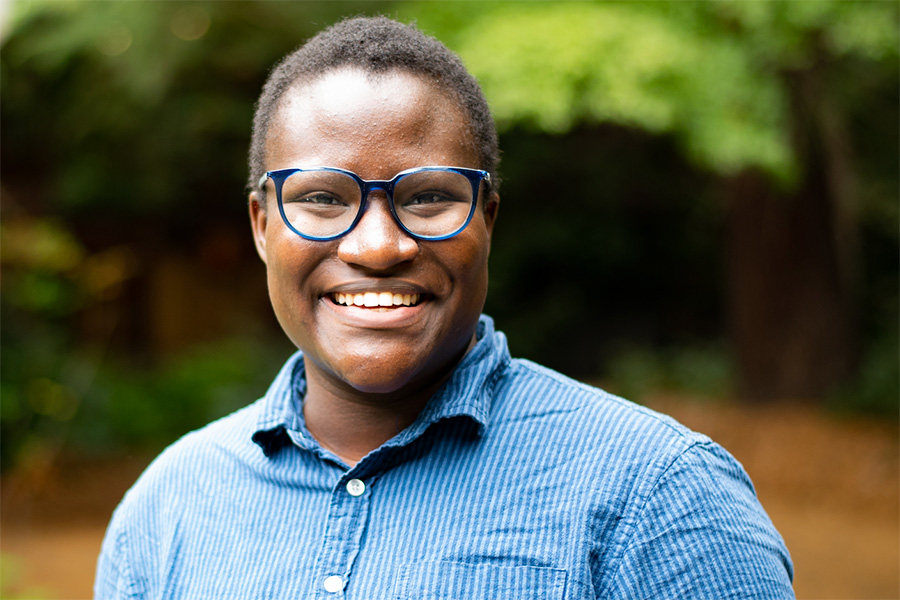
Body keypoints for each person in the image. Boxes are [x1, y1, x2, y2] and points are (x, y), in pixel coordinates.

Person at [95, 16, 794, 599]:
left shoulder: (659, 494)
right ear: (261, 224)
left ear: (487, 217)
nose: (376, 245)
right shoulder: (168, 507)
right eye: (321, 199)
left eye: (428, 196)